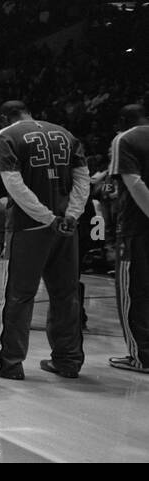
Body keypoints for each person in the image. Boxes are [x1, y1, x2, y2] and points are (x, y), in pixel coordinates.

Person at [0, 101, 89, 381]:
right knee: (66, 295)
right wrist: (71, 214)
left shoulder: (7, 135)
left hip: (29, 228)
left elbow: (13, 184)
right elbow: (83, 179)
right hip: (66, 227)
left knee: (19, 296)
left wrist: (45, 216)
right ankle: (68, 360)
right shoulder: (65, 133)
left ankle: (10, 362)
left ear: (4, 118)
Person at [109, 104, 149, 373]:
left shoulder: (125, 139)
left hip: (136, 227)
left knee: (133, 292)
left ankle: (141, 356)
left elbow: (134, 182)